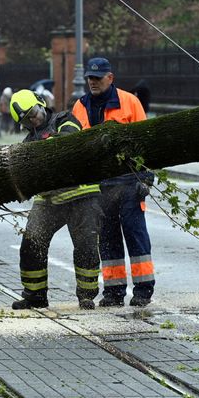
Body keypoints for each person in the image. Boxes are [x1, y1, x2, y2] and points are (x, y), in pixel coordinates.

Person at [71, 57, 156, 308]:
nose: (93, 82)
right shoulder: (80, 106)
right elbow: (74, 148)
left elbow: (146, 142)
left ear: (110, 78)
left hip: (129, 183)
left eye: (97, 78)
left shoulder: (130, 102)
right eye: (90, 78)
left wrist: (146, 178)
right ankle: (114, 292)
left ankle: (143, 290)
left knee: (136, 236)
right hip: (100, 186)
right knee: (108, 240)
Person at [7, 89, 102, 311]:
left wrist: (40, 150)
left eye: (33, 113)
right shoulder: (28, 141)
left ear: (41, 104)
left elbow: (67, 141)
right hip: (49, 199)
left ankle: (86, 296)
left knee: (86, 246)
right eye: (26, 120)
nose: (33, 121)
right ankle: (35, 295)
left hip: (82, 194)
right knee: (31, 242)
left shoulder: (65, 120)